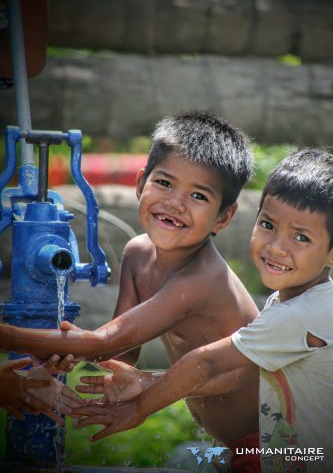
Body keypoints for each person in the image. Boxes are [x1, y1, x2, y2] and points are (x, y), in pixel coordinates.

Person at [0, 112, 260, 468]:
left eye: (198, 195)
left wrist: (9, 337)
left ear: (223, 218)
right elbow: (121, 351)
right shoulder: (137, 253)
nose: (175, 202)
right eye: (165, 183)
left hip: (272, 440)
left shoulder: (202, 278)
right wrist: (71, 349)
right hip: (227, 443)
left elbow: (105, 342)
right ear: (141, 183)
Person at [73, 148, 333, 473]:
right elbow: (234, 375)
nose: (276, 246)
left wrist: (140, 407)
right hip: (276, 452)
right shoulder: (291, 303)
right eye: (267, 224)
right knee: (188, 460)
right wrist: (147, 382)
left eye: (300, 236)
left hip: (295, 459)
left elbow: (206, 363)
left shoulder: (302, 313)